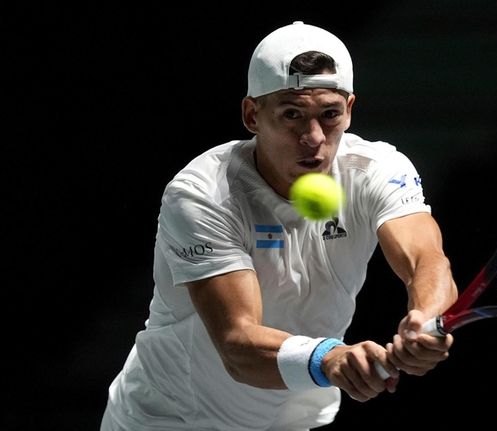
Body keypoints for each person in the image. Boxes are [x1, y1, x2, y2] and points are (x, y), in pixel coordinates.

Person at [100, 21, 458, 430]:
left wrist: (425, 319)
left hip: (293, 419)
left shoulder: (377, 169)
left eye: (329, 114)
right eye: (292, 114)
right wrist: (331, 357)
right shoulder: (203, 194)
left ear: (350, 110)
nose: (313, 137)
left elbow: (426, 260)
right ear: (252, 114)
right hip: (172, 419)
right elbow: (238, 345)